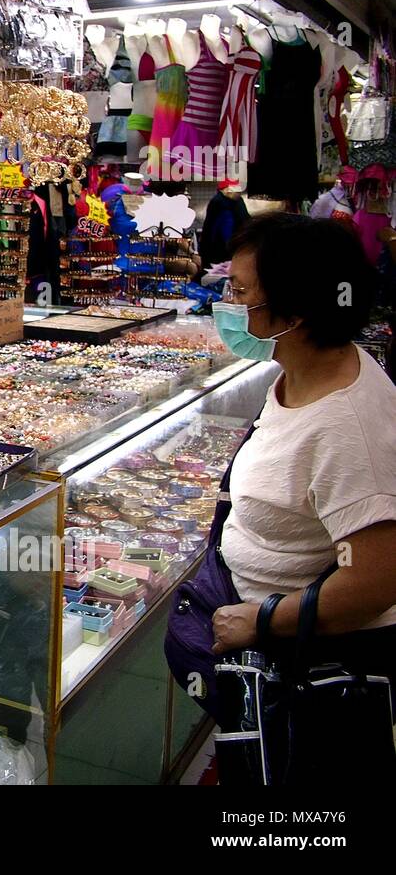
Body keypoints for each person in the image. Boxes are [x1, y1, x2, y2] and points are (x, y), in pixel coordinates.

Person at [201, 215, 395, 755]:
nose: (227, 305)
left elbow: (373, 583)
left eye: (240, 292)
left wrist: (262, 622)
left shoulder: (348, 427)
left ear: (297, 310)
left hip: (306, 672)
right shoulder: (304, 370)